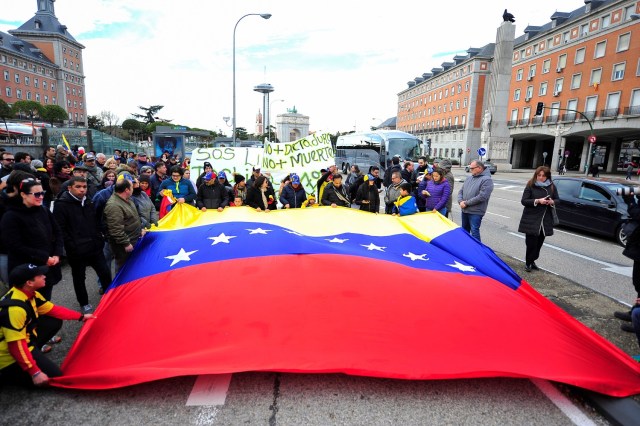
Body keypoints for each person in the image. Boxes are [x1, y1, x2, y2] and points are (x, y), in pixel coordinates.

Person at [0, 264, 95, 387]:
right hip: (8, 356)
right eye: (40, 276)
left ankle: (34, 353)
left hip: (25, 340)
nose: (45, 276)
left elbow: (53, 310)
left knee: (53, 321)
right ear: (29, 282)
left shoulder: (29, 293)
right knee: (55, 376)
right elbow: (15, 346)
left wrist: (81, 317)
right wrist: (34, 372)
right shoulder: (14, 309)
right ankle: (8, 373)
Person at [52, 177, 112, 310]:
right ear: (70, 188)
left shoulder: (89, 201)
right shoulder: (61, 204)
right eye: (78, 187)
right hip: (76, 251)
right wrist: (71, 246)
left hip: (94, 247)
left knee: (105, 273)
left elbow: (96, 221)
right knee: (79, 278)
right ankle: (84, 303)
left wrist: (100, 237)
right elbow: (60, 229)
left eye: (84, 187)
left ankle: (110, 298)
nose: (82, 189)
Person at [1, 178, 63, 301]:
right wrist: (44, 257)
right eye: (37, 194)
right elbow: (15, 245)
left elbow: (57, 231)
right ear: (23, 194)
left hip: (47, 267)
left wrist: (57, 253)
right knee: (28, 305)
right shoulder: (11, 216)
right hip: (26, 271)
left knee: (45, 300)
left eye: (42, 193)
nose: (41, 197)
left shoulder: (44, 210)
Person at [517, 166, 559, 272]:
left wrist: (552, 202)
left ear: (547, 176)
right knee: (531, 243)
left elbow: (558, 199)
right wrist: (537, 201)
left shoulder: (552, 186)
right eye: (538, 175)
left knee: (539, 244)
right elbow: (524, 201)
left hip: (545, 220)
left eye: (543, 176)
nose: (540, 177)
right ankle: (528, 263)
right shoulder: (531, 185)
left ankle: (533, 260)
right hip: (531, 218)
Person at [103, 177, 145, 272]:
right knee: (123, 268)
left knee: (132, 266)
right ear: (127, 190)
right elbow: (116, 228)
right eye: (132, 187)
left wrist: (140, 229)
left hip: (133, 238)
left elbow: (134, 217)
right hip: (124, 245)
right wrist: (126, 243)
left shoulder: (128, 199)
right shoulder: (114, 205)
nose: (133, 189)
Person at [457, 160, 494, 242]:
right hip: (465, 209)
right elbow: (461, 191)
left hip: (475, 212)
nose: (470, 170)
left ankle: (478, 251)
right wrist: (460, 201)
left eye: (472, 168)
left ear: (479, 168)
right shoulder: (469, 178)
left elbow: (482, 196)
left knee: (474, 232)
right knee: (464, 232)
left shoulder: (487, 180)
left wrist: (466, 203)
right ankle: (466, 249)